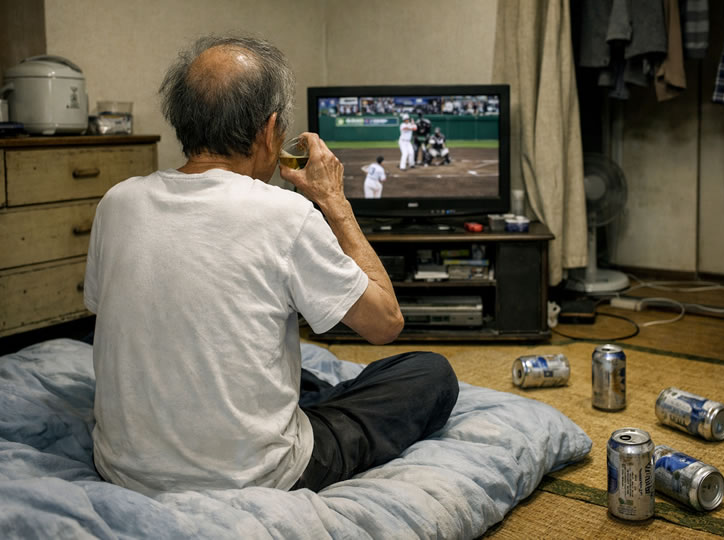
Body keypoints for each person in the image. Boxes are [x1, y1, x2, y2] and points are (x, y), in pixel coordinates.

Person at [83, 35, 458, 495]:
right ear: (270, 130)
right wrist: (333, 201)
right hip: (254, 477)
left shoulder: (116, 202)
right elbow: (385, 323)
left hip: (122, 469)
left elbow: (111, 311)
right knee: (429, 372)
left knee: (294, 371)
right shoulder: (286, 212)